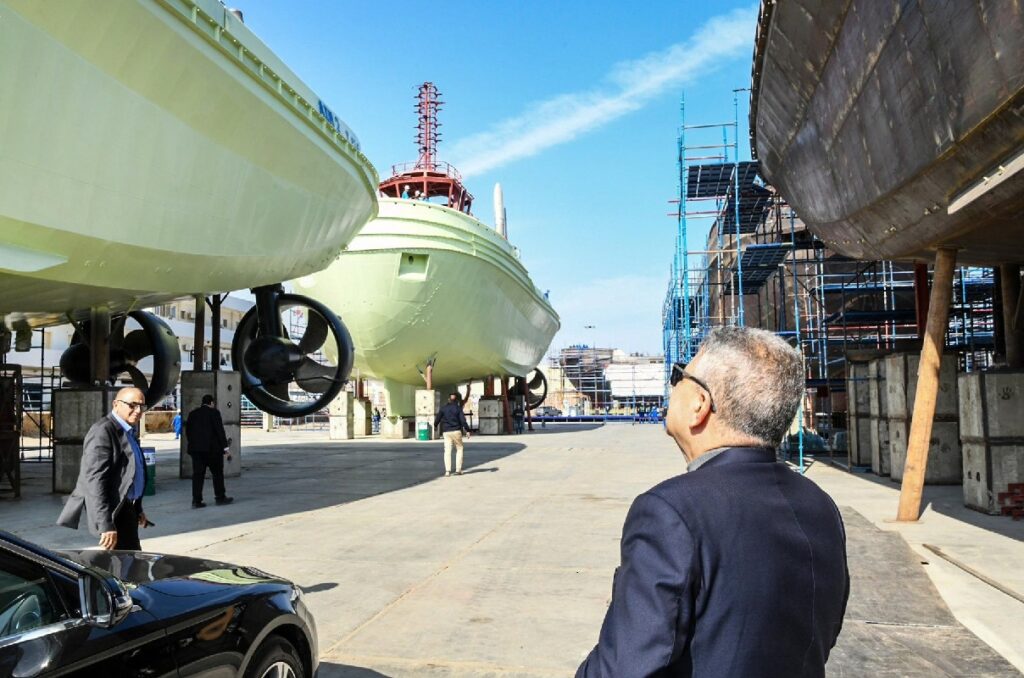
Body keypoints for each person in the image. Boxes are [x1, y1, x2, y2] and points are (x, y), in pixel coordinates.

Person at [577, 327, 849, 677]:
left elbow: (624, 667)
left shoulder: (670, 512)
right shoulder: (820, 506)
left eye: (680, 376)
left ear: (700, 405)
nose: (672, 386)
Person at [57, 387, 152, 551]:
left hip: (126, 507)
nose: (138, 411)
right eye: (132, 405)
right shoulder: (104, 431)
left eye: (141, 406)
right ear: (116, 404)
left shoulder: (128, 431)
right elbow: (94, 480)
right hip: (114, 511)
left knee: (130, 560)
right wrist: (105, 524)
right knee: (125, 564)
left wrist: (137, 508)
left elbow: (129, 474)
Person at [185, 394, 233, 508]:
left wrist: (194, 444)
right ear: (211, 403)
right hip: (213, 451)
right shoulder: (214, 413)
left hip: (197, 451)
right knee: (217, 474)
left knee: (198, 475)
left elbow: (188, 432)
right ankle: (220, 497)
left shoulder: (193, 414)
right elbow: (219, 431)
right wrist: (225, 448)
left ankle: (196, 501)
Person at [434, 392, 470, 477]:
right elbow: (462, 420)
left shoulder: (443, 408)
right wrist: (467, 430)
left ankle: (447, 471)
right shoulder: (458, 408)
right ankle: (458, 470)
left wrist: (435, 425)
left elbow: (437, 418)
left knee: (447, 451)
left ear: (448, 399)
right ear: (457, 400)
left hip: (446, 432)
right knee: (459, 448)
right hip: (456, 431)